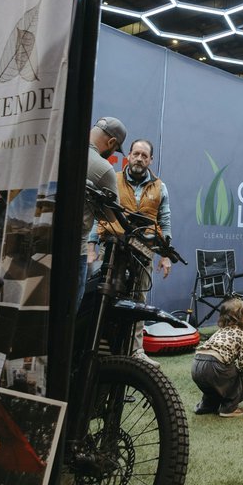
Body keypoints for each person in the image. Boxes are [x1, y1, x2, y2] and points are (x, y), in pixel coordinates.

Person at [91, 138, 173, 365]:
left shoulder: (159, 186)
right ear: (128, 155)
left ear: (151, 160)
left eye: (144, 156)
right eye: (136, 154)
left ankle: (136, 352)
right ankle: (99, 348)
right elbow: (97, 213)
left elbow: (164, 221)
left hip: (144, 251)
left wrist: (165, 254)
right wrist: (91, 246)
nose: (139, 158)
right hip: (112, 247)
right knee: (105, 297)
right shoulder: (112, 179)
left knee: (139, 301)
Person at [78, 117, 124, 298]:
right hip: (75, 252)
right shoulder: (103, 168)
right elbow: (112, 217)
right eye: (114, 148)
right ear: (112, 142)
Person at [192, 298, 243, 418]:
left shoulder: (219, 332)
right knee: (236, 376)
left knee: (211, 387)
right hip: (215, 365)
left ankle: (206, 406)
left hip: (196, 364)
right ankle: (228, 408)